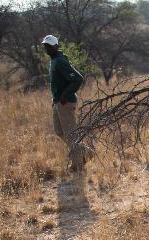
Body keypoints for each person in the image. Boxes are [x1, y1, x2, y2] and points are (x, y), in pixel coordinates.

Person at [42, 34, 90, 172]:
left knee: (70, 134)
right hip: (58, 102)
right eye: (45, 46)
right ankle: (86, 152)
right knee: (59, 131)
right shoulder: (54, 60)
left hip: (65, 103)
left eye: (49, 46)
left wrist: (64, 96)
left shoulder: (60, 61)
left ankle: (77, 165)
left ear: (56, 46)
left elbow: (78, 79)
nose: (47, 49)